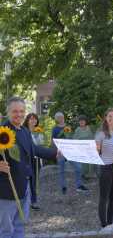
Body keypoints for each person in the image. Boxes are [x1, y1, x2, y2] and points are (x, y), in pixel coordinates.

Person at [0, 96, 57, 238]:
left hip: (25, 186)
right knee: (6, 230)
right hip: (7, 189)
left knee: (20, 226)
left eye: (21, 111)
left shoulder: (25, 131)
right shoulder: (3, 132)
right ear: (8, 112)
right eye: (14, 111)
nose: (18, 114)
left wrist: (56, 153)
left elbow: (34, 149)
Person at [95, 108, 113, 231]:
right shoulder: (100, 133)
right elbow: (96, 151)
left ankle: (111, 223)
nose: (112, 119)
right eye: (110, 116)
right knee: (104, 197)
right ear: (106, 118)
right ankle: (104, 225)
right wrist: (96, 149)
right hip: (106, 167)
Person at [51, 112, 88, 194]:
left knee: (78, 167)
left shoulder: (68, 127)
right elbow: (53, 141)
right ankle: (63, 187)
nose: (61, 118)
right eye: (59, 117)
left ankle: (79, 185)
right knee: (61, 170)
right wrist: (55, 152)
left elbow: (72, 138)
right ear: (56, 119)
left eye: (62, 117)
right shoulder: (55, 129)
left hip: (70, 151)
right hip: (60, 152)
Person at [23, 113, 44, 211]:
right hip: (27, 160)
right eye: (31, 119)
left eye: (35, 119)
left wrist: (39, 138)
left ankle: (34, 201)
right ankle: (25, 201)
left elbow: (41, 144)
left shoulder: (38, 130)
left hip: (36, 159)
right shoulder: (24, 131)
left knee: (35, 181)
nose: (33, 121)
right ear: (27, 120)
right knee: (27, 181)